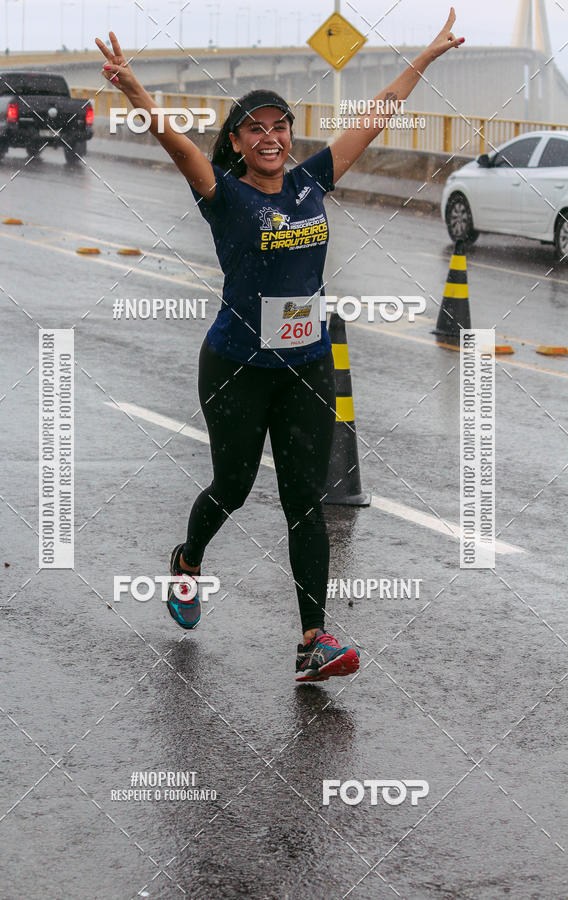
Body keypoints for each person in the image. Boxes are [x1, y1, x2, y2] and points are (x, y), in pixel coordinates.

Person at [96, 11, 464, 683]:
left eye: (279, 125)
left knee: (306, 501)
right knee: (233, 488)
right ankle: (187, 562)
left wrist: (427, 57)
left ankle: (312, 642)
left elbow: (377, 113)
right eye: (255, 128)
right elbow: (179, 147)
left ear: (290, 134)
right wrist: (135, 94)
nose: (270, 137)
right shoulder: (225, 194)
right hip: (237, 367)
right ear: (237, 141)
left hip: (308, 367)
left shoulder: (310, 182)